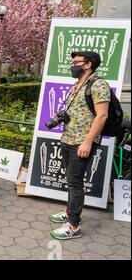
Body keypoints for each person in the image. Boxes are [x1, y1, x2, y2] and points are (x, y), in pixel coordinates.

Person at [49, 51, 110, 240]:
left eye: (76, 62)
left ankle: (73, 225)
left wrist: (87, 142)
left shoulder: (98, 84)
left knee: (75, 183)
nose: (72, 65)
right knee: (70, 180)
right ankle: (69, 213)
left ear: (88, 64)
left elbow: (102, 115)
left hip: (81, 143)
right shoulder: (78, 85)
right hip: (68, 139)